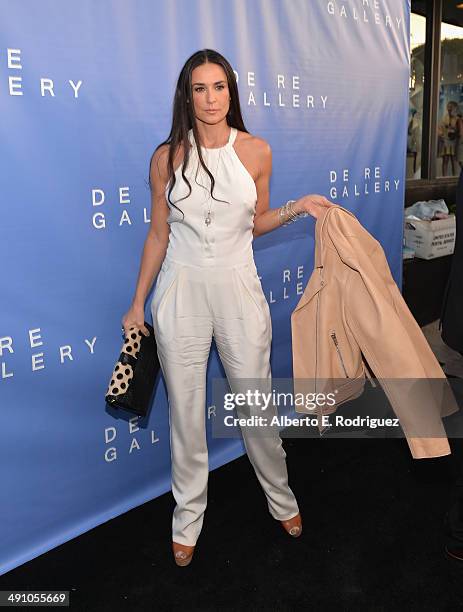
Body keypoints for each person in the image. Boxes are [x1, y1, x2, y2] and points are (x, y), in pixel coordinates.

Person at [122, 48, 333, 567]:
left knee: (256, 406)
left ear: (231, 93)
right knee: (187, 418)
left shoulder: (256, 151)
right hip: (180, 289)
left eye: (220, 87)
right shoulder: (166, 156)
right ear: (186, 95)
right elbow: (157, 233)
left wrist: (296, 208)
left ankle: (281, 498)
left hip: (238, 286)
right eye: (200, 88)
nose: (211, 98)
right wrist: (137, 304)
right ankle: (187, 517)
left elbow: (254, 222)